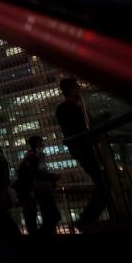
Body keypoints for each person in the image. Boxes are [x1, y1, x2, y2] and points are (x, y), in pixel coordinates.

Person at [56, 77, 107, 230]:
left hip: (86, 148)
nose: (79, 89)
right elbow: (77, 129)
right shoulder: (66, 109)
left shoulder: (77, 107)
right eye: (76, 86)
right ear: (70, 89)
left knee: (103, 183)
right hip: (84, 149)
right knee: (103, 183)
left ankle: (87, 219)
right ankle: (86, 219)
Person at [13, 135, 60, 236]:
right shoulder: (32, 157)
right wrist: (51, 177)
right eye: (40, 143)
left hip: (36, 190)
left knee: (48, 215)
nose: (42, 145)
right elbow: (36, 174)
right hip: (40, 189)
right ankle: (44, 234)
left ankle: (42, 233)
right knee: (51, 215)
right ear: (36, 144)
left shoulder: (32, 156)